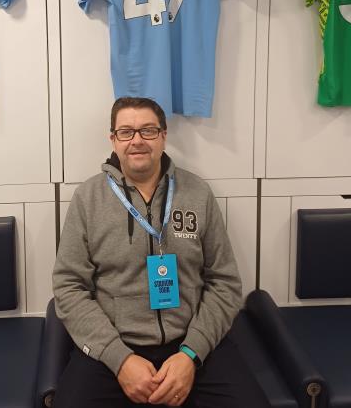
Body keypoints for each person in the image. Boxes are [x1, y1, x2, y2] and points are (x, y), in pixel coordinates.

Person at [53, 97, 271, 408]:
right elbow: (69, 288)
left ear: (164, 136)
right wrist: (120, 359)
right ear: (113, 140)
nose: (137, 140)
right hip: (114, 346)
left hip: (191, 342)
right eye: (126, 132)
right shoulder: (88, 199)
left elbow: (225, 283)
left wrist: (190, 354)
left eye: (148, 130)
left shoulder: (197, 193)